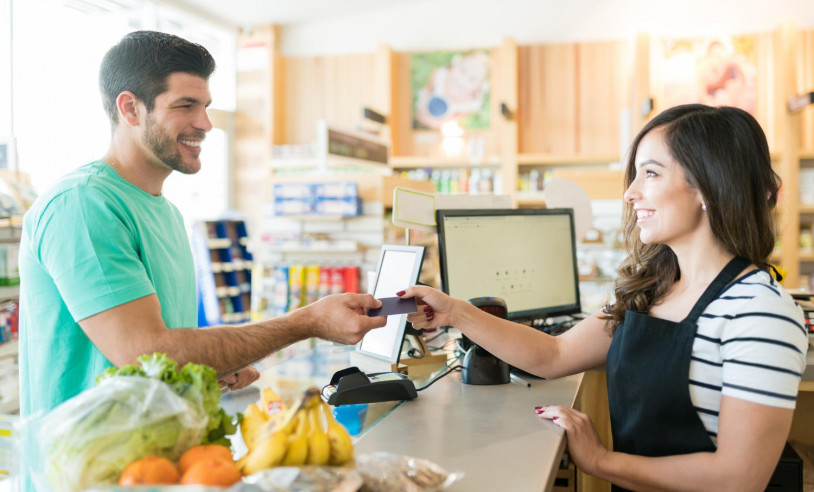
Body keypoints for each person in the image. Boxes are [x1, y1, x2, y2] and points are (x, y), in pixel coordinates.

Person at [400, 104, 809, 491]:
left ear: (709, 185)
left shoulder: (760, 312)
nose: (630, 193)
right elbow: (554, 354)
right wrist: (455, 311)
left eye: (649, 174)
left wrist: (599, 460)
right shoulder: (655, 288)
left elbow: (737, 479)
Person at [18, 30, 386, 419]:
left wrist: (212, 366)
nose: (206, 123)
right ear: (130, 109)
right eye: (186, 105)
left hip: (158, 462)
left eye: (206, 105)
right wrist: (305, 322)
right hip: (85, 470)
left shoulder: (167, 213)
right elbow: (147, 354)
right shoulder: (83, 204)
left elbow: (169, 356)